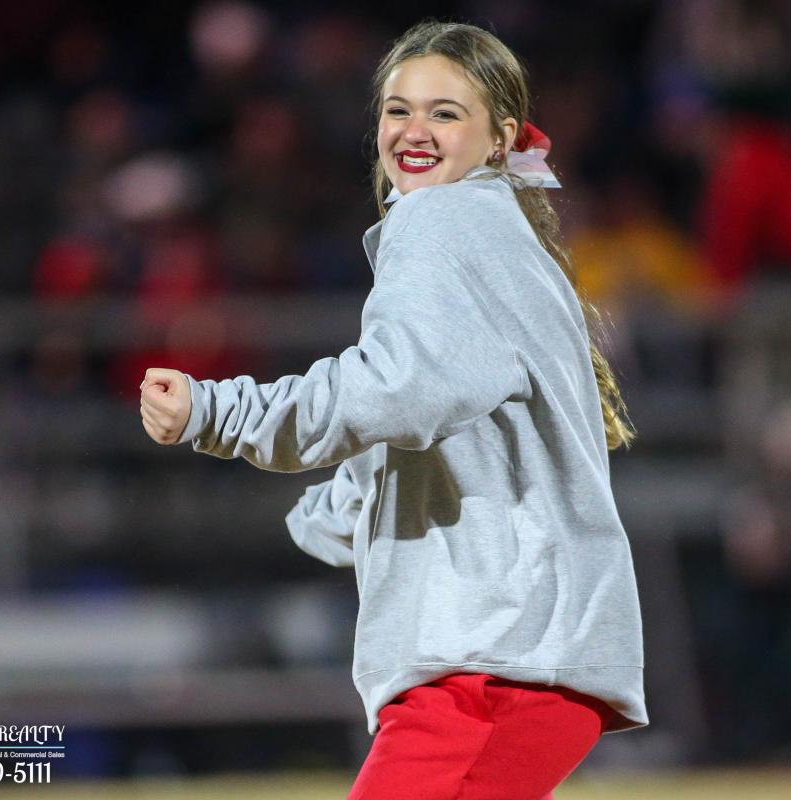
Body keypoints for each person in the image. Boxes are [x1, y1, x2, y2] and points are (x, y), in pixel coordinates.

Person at [140, 20, 647, 799]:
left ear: (499, 136)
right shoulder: (494, 232)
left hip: (490, 666)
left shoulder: (443, 220)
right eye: (398, 109)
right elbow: (441, 405)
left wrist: (218, 410)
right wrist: (346, 507)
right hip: (518, 659)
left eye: (445, 113)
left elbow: (397, 389)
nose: (414, 131)